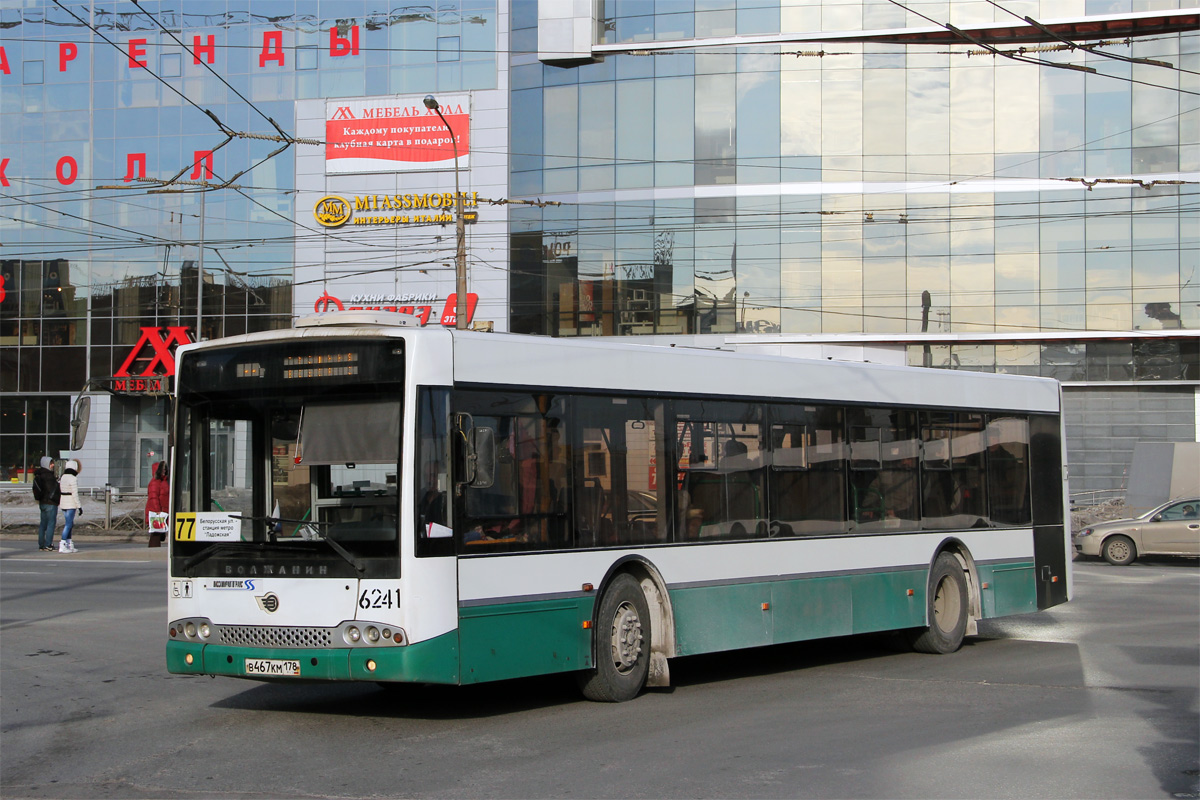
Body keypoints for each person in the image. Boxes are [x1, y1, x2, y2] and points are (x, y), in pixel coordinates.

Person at [32, 456, 60, 552]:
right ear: (46, 464)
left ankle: (42, 545)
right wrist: (57, 500)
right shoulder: (48, 476)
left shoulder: (39, 475)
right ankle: (48, 544)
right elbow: (52, 490)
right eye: (51, 463)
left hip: (42, 503)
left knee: (43, 524)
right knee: (51, 524)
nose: (52, 465)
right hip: (50, 503)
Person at [58, 460, 82, 554]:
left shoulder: (63, 477)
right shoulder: (73, 478)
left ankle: (69, 543)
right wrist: (79, 506)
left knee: (69, 523)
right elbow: (75, 493)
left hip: (63, 502)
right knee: (68, 524)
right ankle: (63, 543)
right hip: (71, 503)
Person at [146, 461, 170, 547]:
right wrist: (157, 511)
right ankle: (153, 550)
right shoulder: (155, 482)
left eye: (165, 469)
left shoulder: (163, 481)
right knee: (156, 534)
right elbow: (153, 498)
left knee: (159, 533)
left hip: (163, 511)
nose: (164, 471)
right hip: (158, 512)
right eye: (162, 469)